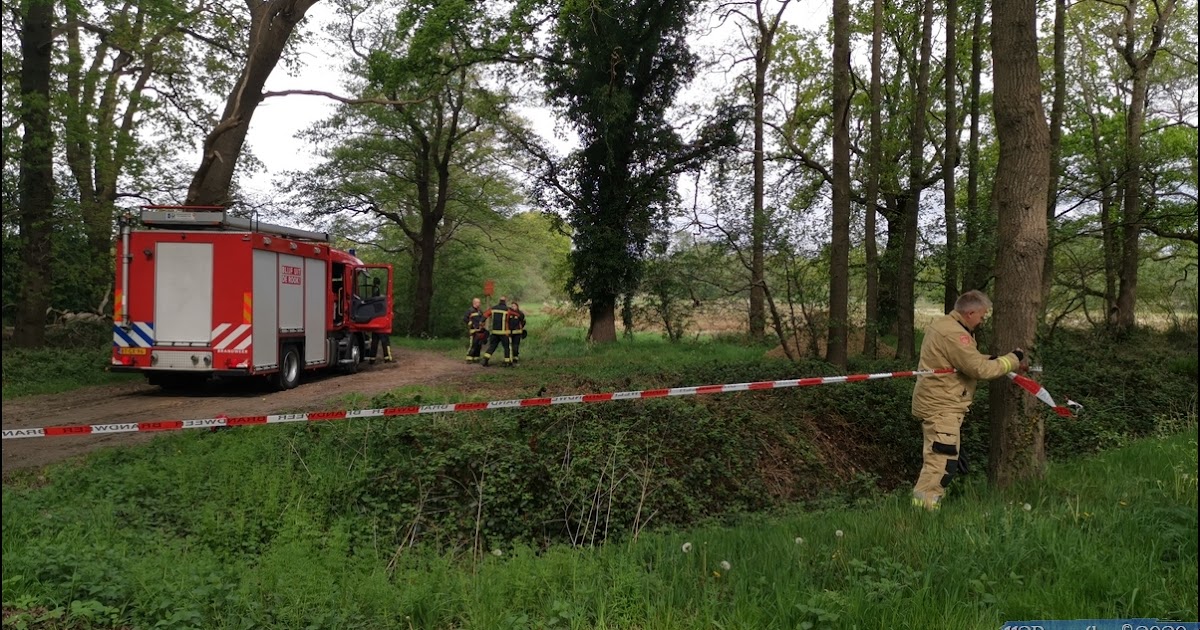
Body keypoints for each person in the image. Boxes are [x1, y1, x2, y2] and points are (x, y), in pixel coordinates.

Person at [910, 290, 1027, 511]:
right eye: (982, 316)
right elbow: (979, 369)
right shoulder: (955, 334)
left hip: (941, 403)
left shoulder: (948, 326)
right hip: (942, 406)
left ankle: (921, 509)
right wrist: (1013, 359)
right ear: (970, 312)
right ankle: (923, 511)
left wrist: (993, 359)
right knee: (940, 464)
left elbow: (966, 359)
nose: (982, 321)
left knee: (940, 460)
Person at [480, 295, 513, 367]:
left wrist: (481, 323)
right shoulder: (507, 310)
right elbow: (515, 316)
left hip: (494, 332)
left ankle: (485, 360)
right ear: (505, 301)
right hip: (504, 332)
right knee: (506, 347)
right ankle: (507, 362)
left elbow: (485, 315)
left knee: (492, 346)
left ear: (499, 301)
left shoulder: (493, 308)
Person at [464, 297, 487, 363]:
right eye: (478, 302)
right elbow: (465, 318)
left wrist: (482, 326)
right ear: (474, 303)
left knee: (479, 345)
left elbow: (483, 319)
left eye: (479, 302)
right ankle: (469, 357)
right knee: (473, 344)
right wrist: (470, 324)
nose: (479, 304)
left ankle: (476, 358)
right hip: (473, 330)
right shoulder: (470, 310)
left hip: (479, 330)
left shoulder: (480, 311)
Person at [507, 300, 527, 365]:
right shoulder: (509, 314)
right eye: (512, 306)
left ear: (517, 306)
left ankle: (515, 358)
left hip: (517, 333)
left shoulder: (520, 314)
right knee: (510, 346)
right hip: (510, 332)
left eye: (514, 306)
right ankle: (510, 358)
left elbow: (523, 321)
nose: (513, 307)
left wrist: (521, 328)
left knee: (515, 346)